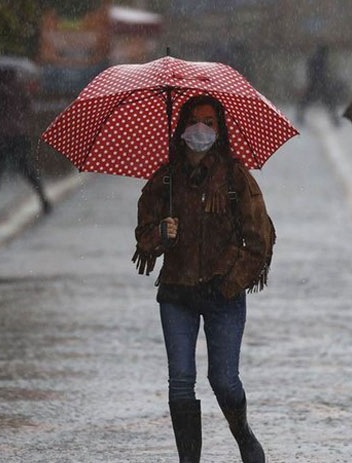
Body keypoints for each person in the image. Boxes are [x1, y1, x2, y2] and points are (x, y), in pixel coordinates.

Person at [133, 95, 274, 463]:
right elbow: (143, 235)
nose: (201, 129)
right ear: (181, 127)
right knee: (180, 381)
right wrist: (161, 234)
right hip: (177, 292)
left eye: (209, 122)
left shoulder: (234, 177)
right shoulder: (165, 179)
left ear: (220, 129)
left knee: (224, 380)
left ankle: (242, 434)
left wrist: (229, 282)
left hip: (222, 296)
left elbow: (259, 239)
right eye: (194, 121)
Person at [0, 68, 51, 214]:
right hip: (19, 133)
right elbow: (28, 107)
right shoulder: (19, 87)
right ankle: (43, 199)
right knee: (26, 168)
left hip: (3, 133)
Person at [296, 45, 342, 126]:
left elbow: (310, 71)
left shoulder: (314, 59)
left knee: (306, 101)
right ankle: (335, 120)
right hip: (320, 84)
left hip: (315, 84)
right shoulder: (320, 60)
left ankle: (300, 117)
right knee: (329, 102)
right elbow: (321, 73)